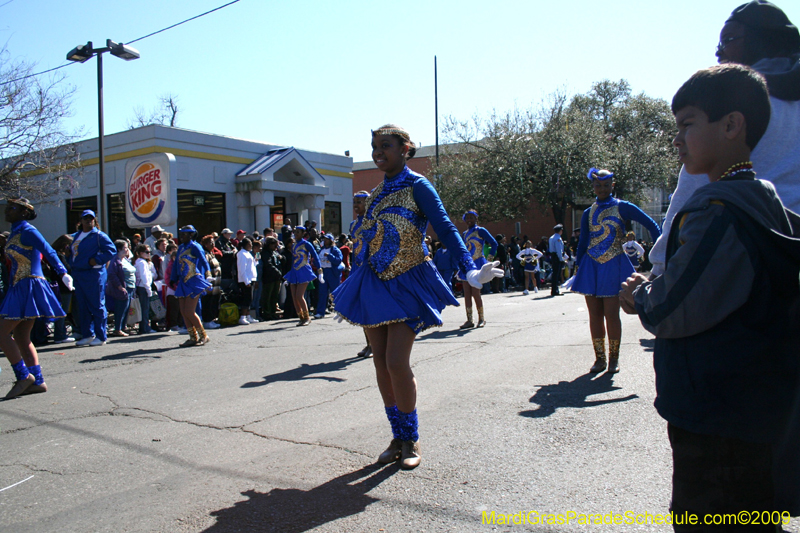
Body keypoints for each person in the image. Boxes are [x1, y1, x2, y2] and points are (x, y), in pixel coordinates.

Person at [620, 63, 800, 526]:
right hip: (754, 406)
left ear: (731, 125)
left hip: (716, 414)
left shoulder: (716, 210)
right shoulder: (765, 198)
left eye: (687, 124)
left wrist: (640, 295)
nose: (676, 139)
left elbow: (673, 306)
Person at [332, 125, 501, 469]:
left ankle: (412, 438)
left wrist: (468, 269)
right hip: (374, 283)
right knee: (380, 364)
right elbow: (367, 237)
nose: (379, 151)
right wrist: (353, 288)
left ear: (405, 149)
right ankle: (397, 436)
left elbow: (445, 226)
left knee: (396, 362)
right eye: (374, 146)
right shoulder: (377, 192)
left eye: (386, 146)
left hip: (409, 279)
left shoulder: (418, 185)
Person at [650, 0, 800, 277]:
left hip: (749, 262)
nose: (719, 52)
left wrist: (658, 271)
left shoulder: (733, 104)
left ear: (760, 40)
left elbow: (691, 190)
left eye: (728, 40)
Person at [571, 169, 660, 374]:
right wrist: (578, 266)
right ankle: (599, 359)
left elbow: (651, 224)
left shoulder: (623, 206)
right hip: (591, 266)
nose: (601, 189)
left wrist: (662, 248)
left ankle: (613, 359)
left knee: (612, 314)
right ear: (593, 186)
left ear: (612, 185)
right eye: (597, 185)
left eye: (606, 185)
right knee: (594, 315)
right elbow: (583, 241)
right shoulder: (588, 212)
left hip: (613, 265)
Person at [1, 198, 74, 398]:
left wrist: (62, 272)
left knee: (2, 333)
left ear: (24, 212)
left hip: (28, 284)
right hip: (18, 286)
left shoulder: (28, 230)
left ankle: (24, 377)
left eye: (12, 208)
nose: (7, 211)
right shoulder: (15, 232)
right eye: (7, 208)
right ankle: (38, 381)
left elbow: (48, 250)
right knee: (23, 337)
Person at [67, 209, 116, 347]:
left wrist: (96, 260)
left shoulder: (99, 236)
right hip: (78, 274)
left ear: (95, 220)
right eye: (85, 218)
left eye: (91, 218)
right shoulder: (76, 236)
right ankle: (87, 334)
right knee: (82, 306)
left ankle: (101, 336)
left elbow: (111, 250)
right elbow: (73, 253)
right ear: (80, 220)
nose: (88, 220)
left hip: (93, 274)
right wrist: (68, 257)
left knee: (97, 305)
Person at [171, 225, 212, 346]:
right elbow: (175, 265)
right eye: (181, 234)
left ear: (191, 235)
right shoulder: (181, 247)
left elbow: (204, 260)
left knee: (189, 311)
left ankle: (204, 335)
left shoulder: (195, 246)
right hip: (183, 281)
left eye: (184, 234)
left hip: (194, 280)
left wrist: (208, 273)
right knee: (183, 312)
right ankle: (193, 337)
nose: (182, 236)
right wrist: (173, 278)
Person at [459, 209, 498, 329]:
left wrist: (489, 259)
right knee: (466, 293)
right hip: (467, 265)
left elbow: (494, 243)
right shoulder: (464, 234)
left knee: (476, 292)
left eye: (472, 217)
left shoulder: (480, 230)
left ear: (476, 219)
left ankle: (481, 318)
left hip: (478, 263)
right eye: (467, 218)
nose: (469, 220)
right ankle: (469, 319)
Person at [286, 225, 322, 326]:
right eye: (295, 232)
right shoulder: (293, 245)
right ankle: (301, 317)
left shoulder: (307, 244)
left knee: (299, 295)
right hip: (294, 271)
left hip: (304, 271)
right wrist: (289, 274)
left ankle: (307, 317)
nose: (296, 234)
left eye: (298, 232)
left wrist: (319, 270)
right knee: (294, 296)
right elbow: (293, 260)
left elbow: (315, 256)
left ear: (303, 234)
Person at [350, 190, 372, 357]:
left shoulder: (373, 222)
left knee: (370, 307)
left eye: (360, 201)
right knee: (363, 308)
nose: (356, 205)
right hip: (357, 269)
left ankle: (374, 345)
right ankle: (368, 344)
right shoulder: (352, 225)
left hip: (371, 270)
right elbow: (354, 251)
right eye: (355, 201)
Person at [106, 240, 135, 337]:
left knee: (126, 309)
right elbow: (111, 275)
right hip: (122, 288)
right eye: (125, 248)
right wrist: (120, 287)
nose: (127, 250)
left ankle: (123, 327)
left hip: (130, 287)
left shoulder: (125, 260)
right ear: (119, 249)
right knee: (120, 309)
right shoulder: (115, 260)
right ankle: (117, 329)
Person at [314, 234, 343, 319]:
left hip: (332, 272)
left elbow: (338, 260)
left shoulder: (335, 250)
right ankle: (320, 312)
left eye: (327, 239)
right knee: (322, 293)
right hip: (323, 272)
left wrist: (329, 256)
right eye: (324, 239)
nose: (325, 240)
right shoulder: (321, 250)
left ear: (331, 240)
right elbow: (317, 261)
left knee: (335, 292)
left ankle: (339, 311)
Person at [200, 235, 222, 329]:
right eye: (210, 242)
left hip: (216, 283)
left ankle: (212, 319)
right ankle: (207, 320)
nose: (213, 244)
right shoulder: (205, 254)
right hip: (209, 282)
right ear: (205, 244)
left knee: (214, 301)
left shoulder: (211, 253)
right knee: (207, 302)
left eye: (213, 242)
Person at [134, 243, 157, 335]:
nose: (149, 254)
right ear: (140, 253)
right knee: (145, 308)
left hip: (142, 287)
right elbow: (144, 277)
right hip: (143, 287)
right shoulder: (142, 262)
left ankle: (144, 327)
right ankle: (145, 328)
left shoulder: (140, 262)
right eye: (146, 252)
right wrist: (148, 289)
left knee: (144, 308)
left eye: (149, 252)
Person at [260, 236, 284, 320]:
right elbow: (268, 264)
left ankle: (273, 312)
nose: (276, 247)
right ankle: (267, 312)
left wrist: (281, 258)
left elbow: (282, 259)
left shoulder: (275, 252)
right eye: (274, 245)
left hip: (277, 278)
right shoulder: (265, 253)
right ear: (270, 244)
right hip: (269, 278)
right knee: (268, 296)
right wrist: (277, 272)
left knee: (275, 296)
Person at [236, 237, 258, 326]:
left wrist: (256, 259)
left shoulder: (248, 253)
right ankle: (242, 317)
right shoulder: (241, 254)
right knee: (247, 298)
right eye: (249, 244)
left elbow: (253, 265)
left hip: (251, 278)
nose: (251, 246)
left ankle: (248, 316)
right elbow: (242, 269)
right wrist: (246, 281)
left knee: (250, 298)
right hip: (246, 280)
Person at [547, 225, 565, 296]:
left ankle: (554, 290)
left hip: (553, 256)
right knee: (556, 275)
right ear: (560, 230)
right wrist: (561, 259)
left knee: (555, 274)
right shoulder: (558, 238)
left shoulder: (551, 237)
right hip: (557, 257)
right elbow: (559, 250)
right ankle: (555, 290)